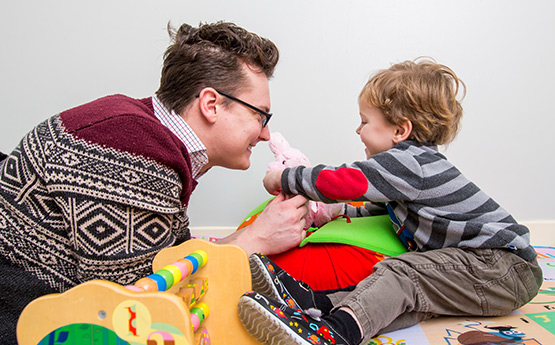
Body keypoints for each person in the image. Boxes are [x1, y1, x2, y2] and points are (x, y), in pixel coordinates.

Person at [0, 21, 309, 343]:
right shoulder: (132, 147)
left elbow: (167, 260)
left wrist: (250, 234)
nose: (265, 134)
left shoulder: (141, 133)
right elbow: (137, 306)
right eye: (260, 115)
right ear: (211, 104)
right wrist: (255, 240)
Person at [238, 58, 543, 345]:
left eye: (365, 121)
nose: (358, 131)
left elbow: (343, 182)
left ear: (400, 130)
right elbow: (378, 210)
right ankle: (318, 306)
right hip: (495, 271)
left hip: (502, 265)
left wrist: (284, 177)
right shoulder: (410, 172)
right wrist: (333, 214)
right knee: (404, 297)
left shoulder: (408, 162)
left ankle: (335, 333)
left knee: (400, 273)